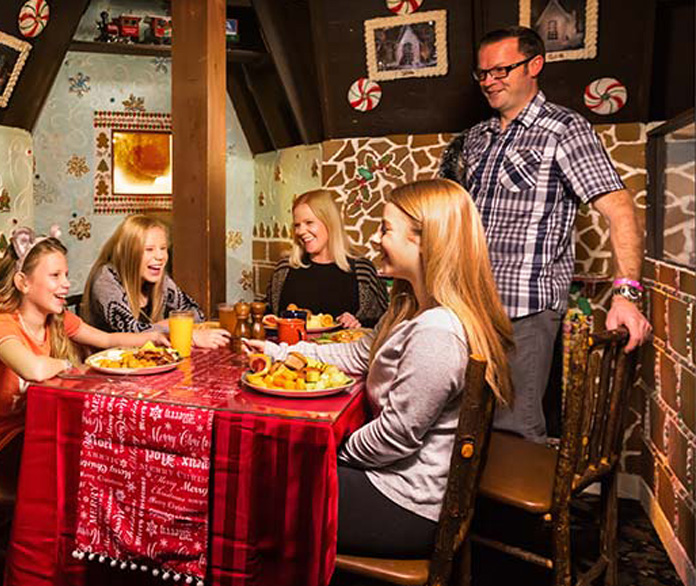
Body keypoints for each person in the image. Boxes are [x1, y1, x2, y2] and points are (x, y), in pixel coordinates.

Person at [246, 179, 513, 558]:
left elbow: (395, 436)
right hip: (395, 478)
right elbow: (357, 355)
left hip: (405, 502)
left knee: (260, 488)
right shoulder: (410, 308)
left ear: (425, 241)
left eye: (386, 229)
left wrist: (333, 449)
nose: (375, 238)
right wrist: (278, 353)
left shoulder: (437, 332)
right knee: (277, 471)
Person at [463, 26, 651, 441]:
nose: (489, 81)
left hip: (524, 311)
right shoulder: (477, 138)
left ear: (534, 65)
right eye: (483, 73)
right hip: (470, 307)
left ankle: (523, 489)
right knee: (466, 426)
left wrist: (627, 294)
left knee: (515, 432)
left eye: (501, 70)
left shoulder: (564, 129)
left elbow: (620, 209)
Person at [0, 226, 169, 466]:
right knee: (93, 458)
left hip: (40, 424)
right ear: (23, 282)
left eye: (66, 274)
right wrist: (70, 366)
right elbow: (34, 369)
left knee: (115, 442)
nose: (66, 283)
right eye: (55, 275)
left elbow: (107, 340)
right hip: (3, 440)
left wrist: (154, 338)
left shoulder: (57, 318)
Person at [81, 215, 229, 348]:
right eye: (149, 249)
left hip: (148, 360)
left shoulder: (158, 276)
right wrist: (176, 329)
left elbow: (196, 314)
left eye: (163, 248)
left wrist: (164, 326)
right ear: (128, 253)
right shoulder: (105, 279)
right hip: (109, 364)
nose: (160, 256)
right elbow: (131, 333)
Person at [266, 189, 388, 328]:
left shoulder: (363, 271)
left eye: (309, 222)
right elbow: (267, 318)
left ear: (330, 222)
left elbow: (382, 324)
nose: (300, 231)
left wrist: (357, 323)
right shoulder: (284, 269)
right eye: (297, 225)